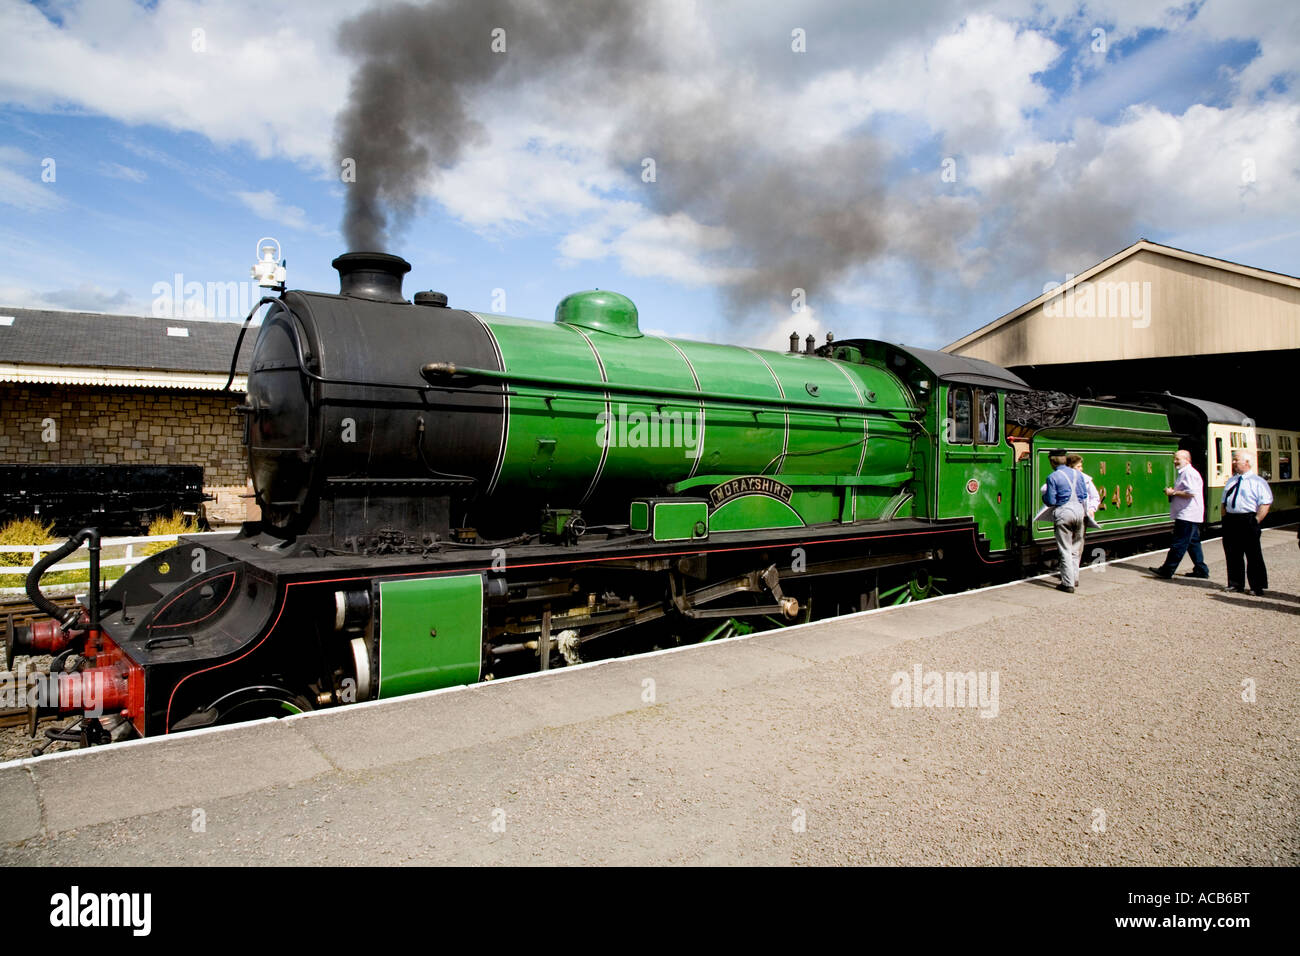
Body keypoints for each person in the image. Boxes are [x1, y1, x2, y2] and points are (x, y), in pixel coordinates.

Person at [1149, 449, 1210, 579]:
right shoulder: (1185, 473)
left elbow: (1191, 492)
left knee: (1179, 543)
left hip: (1187, 514)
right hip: (1187, 513)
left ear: (1187, 460)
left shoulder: (1189, 473)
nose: (1175, 461)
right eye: (1174, 459)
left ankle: (1167, 570)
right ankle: (1201, 569)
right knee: (1193, 543)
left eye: (1178, 459)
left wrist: (1173, 493)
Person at [1220, 451, 1272, 595]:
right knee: (1232, 554)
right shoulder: (1231, 481)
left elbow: (1265, 503)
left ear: (1247, 463)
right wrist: (1225, 518)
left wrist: (1256, 520)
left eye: (1236, 460)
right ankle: (1235, 584)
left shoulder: (1258, 482)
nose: (1234, 462)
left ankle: (1257, 586)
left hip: (1248, 519)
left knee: (1253, 555)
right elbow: (1224, 502)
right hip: (1231, 520)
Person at [1043, 449, 1087, 593]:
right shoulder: (1078, 474)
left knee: (1065, 549)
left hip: (1064, 512)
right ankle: (1075, 578)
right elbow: (1083, 495)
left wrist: (1044, 497)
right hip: (1079, 511)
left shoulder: (1053, 477)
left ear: (1052, 461)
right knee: (1075, 548)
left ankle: (1068, 584)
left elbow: (1050, 501)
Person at [1068, 454, 1102, 531]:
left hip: (1082, 517)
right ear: (1070, 467)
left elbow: (1095, 497)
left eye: (1081, 466)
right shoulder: (1062, 478)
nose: (1081, 469)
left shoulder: (1086, 479)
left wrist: (1092, 509)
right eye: (1078, 467)